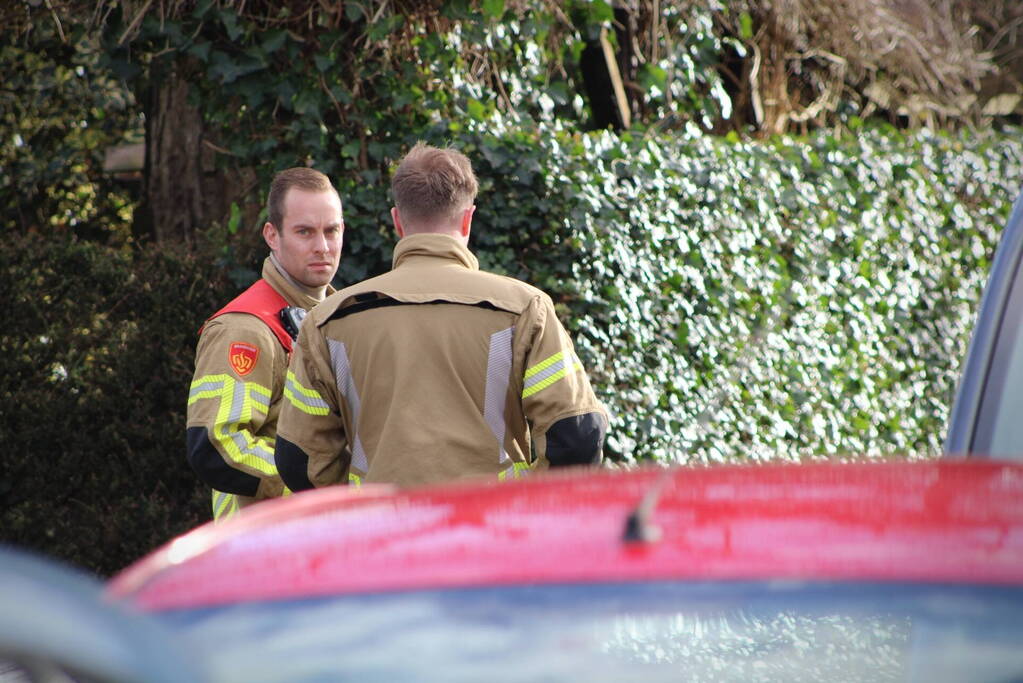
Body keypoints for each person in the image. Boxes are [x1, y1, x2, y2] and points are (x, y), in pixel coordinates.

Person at [274, 143, 606, 490]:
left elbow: (300, 458)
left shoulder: (328, 322)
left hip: (381, 522)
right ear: (468, 219)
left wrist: (360, 508)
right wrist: (524, 506)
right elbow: (577, 437)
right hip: (491, 520)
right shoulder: (525, 310)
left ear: (397, 221)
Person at [186, 167, 344, 520]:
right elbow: (217, 446)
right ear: (272, 235)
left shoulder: (342, 320)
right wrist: (321, 485)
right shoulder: (245, 329)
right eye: (304, 232)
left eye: (331, 230)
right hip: (264, 542)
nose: (322, 246)